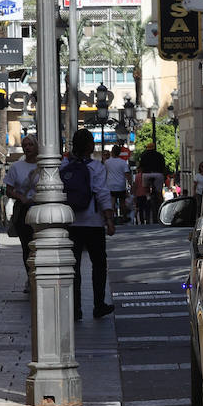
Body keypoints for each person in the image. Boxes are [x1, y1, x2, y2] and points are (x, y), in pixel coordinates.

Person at [66, 130, 116, 320]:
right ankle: (98, 304)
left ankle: (76, 308)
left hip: (71, 222)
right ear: (89, 146)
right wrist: (109, 220)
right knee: (99, 264)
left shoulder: (65, 165)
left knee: (74, 266)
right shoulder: (96, 167)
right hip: (93, 222)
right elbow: (102, 194)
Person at [3, 134, 40, 292]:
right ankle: (30, 277)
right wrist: (21, 197)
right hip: (24, 210)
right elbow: (8, 189)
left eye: (30, 144)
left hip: (40, 208)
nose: (27, 148)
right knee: (27, 247)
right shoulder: (16, 167)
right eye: (25, 145)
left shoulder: (45, 165)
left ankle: (39, 276)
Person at [136, 141, 169, 225]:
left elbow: (141, 166)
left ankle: (147, 197)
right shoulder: (159, 155)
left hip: (146, 175)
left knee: (146, 189)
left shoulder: (143, 155)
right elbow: (163, 166)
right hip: (158, 175)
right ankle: (161, 202)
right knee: (159, 192)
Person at [104, 145, 131, 224]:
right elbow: (127, 174)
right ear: (119, 153)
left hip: (110, 185)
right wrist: (130, 184)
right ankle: (124, 217)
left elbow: (104, 173)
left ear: (112, 152)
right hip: (121, 185)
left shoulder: (107, 162)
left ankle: (111, 218)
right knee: (122, 202)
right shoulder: (123, 162)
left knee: (112, 203)